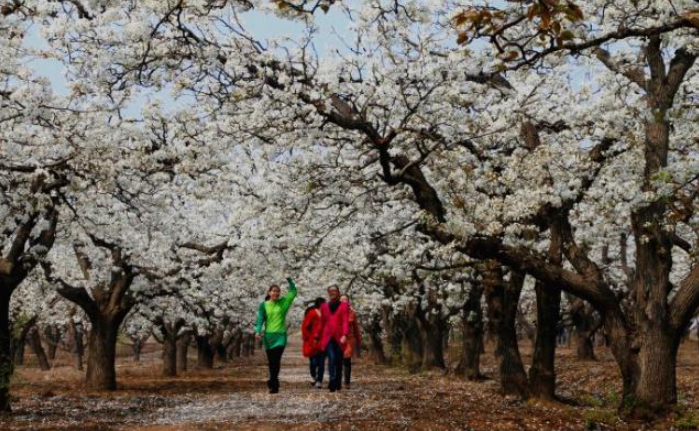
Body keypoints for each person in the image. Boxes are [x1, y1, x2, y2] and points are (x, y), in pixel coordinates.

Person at [255, 277, 297, 394]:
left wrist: (289, 280)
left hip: (280, 336)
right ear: (269, 292)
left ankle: (274, 383)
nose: (275, 293)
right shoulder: (263, 305)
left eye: (277, 291)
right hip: (268, 337)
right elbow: (260, 319)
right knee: (271, 361)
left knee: (276, 360)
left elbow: (293, 292)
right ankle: (273, 380)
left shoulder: (283, 302)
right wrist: (258, 331)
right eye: (273, 291)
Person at [319, 284, 350, 392]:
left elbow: (346, 320)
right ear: (328, 293)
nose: (333, 292)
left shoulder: (344, 306)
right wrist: (318, 336)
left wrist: (345, 335)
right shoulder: (323, 306)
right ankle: (332, 380)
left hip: (340, 336)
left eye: (335, 290)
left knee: (338, 360)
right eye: (330, 291)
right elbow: (322, 322)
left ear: (338, 292)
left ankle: (338, 381)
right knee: (331, 358)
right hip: (328, 337)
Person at [302, 297, 326, 388]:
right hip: (312, 341)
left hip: (323, 341)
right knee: (313, 361)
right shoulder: (312, 313)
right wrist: (308, 338)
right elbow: (305, 326)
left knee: (321, 362)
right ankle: (313, 375)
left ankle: (319, 380)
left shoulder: (326, 314)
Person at [340, 294, 362, 388]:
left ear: (348, 301)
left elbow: (356, 328)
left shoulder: (352, 313)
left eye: (346, 299)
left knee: (347, 359)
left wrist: (359, 340)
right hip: (338, 339)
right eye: (342, 300)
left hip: (349, 339)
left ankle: (347, 382)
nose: (344, 301)